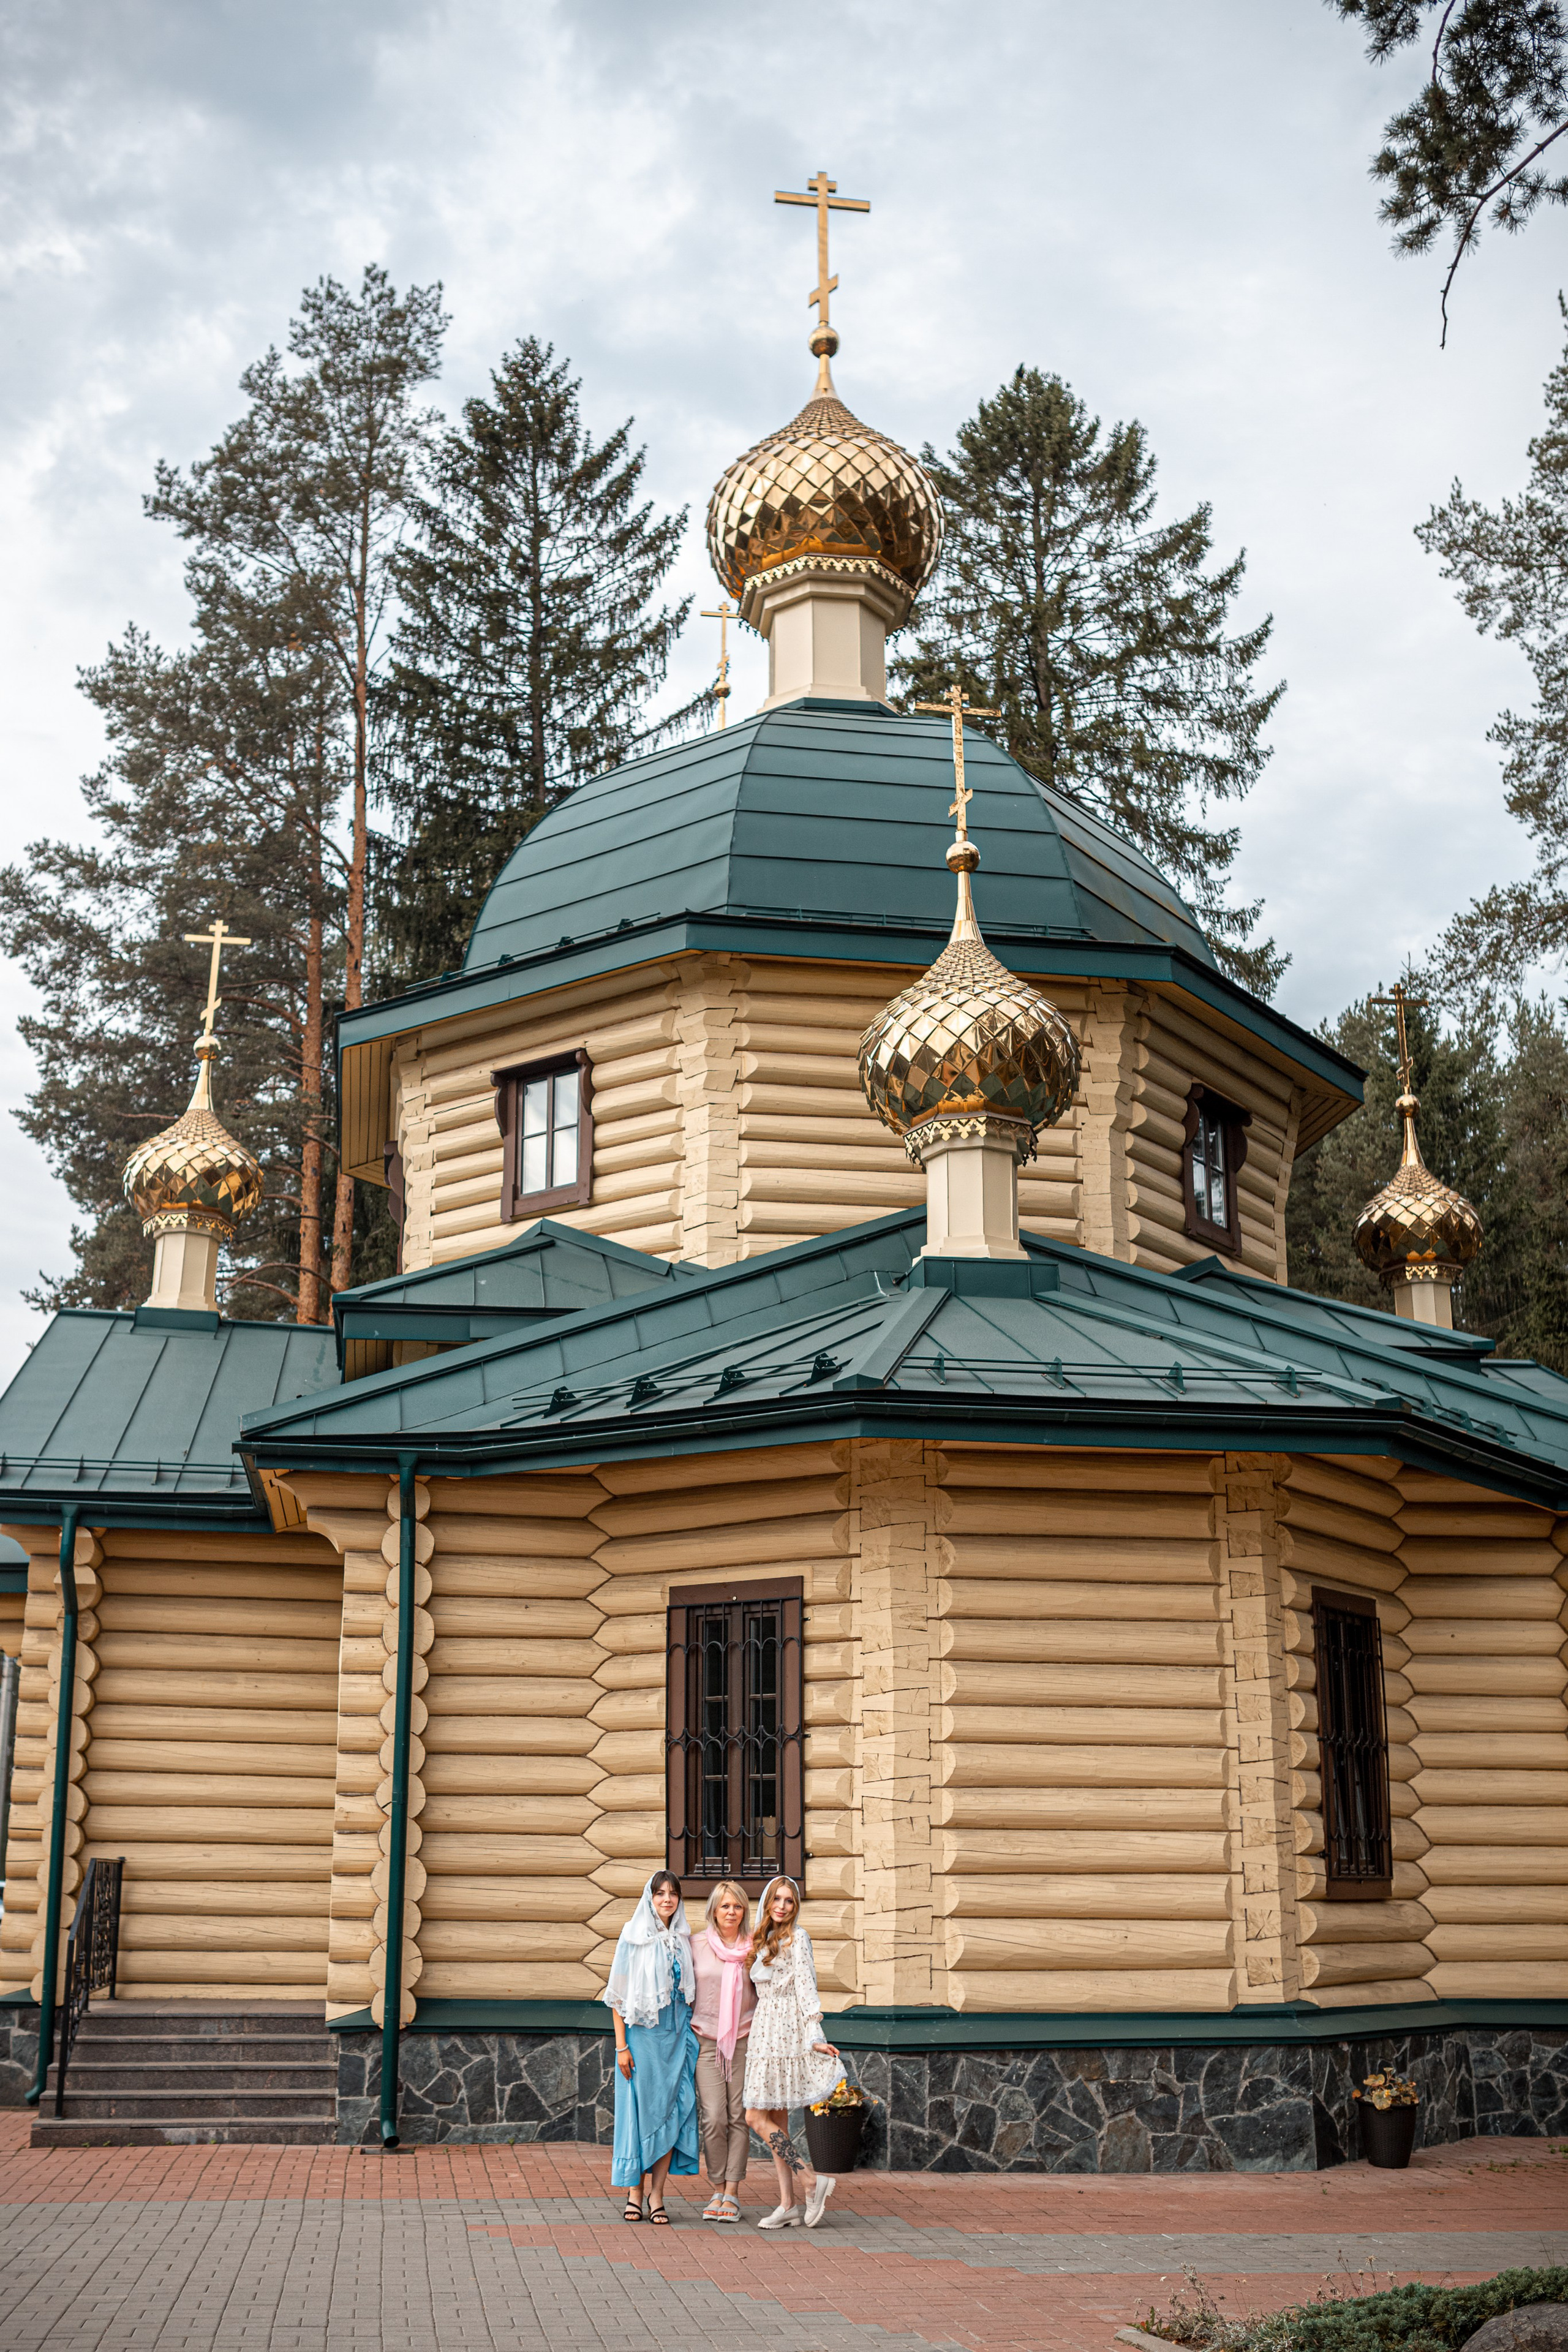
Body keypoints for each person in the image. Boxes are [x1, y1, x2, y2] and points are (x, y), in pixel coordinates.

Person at [742, 1874, 842, 2230]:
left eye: (789, 1901)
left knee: (755, 2118)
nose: (782, 1906)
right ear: (768, 1903)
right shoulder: (762, 1939)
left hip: (785, 2033)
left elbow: (806, 1987)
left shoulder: (798, 1938)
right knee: (776, 2125)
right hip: (762, 2032)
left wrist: (814, 2035)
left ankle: (811, 2179)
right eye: (777, 1900)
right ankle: (787, 2205)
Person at [604, 1871, 699, 2224]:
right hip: (642, 2040)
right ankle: (635, 2192)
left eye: (673, 1894)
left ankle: (658, 2195)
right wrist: (620, 2047)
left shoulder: (684, 1939)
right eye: (660, 1893)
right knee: (641, 2116)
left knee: (669, 2114)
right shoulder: (632, 1937)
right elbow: (616, 1997)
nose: (667, 1900)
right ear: (650, 1897)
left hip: (677, 2039)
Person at [689, 1880, 756, 2223]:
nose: (732, 1912)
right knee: (713, 2117)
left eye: (738, 1907)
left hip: (745, 2040)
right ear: (714, 1909)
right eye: (725, 1906)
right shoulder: (695, 1945)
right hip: (706, 2041)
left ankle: (732, 2192)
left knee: (738, 2117)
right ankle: (717, 2186)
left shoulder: (754, 1948)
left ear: (745, 1911)